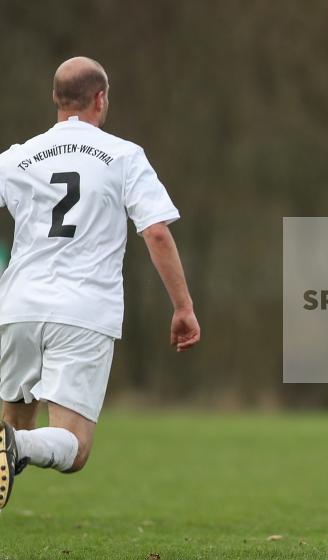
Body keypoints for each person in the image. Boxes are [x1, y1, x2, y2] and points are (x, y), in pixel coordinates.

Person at [0, 57, 200, 511]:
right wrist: (183, 307)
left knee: (14, 429)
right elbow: (156, 232)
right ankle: (17, 444)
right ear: (101, 98)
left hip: (18, 308)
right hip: (83, 311)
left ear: (55, 99)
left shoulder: (17, 157)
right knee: (73, 447)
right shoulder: (124, 156)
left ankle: (15, 443)